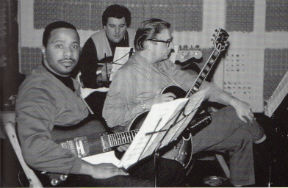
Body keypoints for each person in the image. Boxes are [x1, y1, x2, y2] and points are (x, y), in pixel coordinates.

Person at [103, 18, 266, 186]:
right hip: (163, 145)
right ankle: (268, 144)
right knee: (235, 114)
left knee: (241, 138)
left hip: (183, 129)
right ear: (149, 43)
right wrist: (149, 104)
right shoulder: (127, 73)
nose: (171, 46)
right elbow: (110, 116)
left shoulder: (164, 65)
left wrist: (234, 100)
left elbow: (202, 86)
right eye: (167, 42)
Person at [16, 21, 154, 187]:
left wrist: (115, 141)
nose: (68, 53)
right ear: (44, 50)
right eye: (59, 46)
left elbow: (83, 133)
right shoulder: (37, 90)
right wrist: (92, 170)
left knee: (167, 167)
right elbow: (34, 149)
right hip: (69, 175)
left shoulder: (69, 82)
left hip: (89, 161)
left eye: (74, 46)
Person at [74, 4, 136, 118]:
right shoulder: (92, 43)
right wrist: (100, 78)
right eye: (112, 26)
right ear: (104, 26)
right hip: (102, 93)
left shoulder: (136, 38)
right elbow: (86, 79)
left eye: (121, 26)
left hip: (131, 90)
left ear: (127, 26)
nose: (117, 31)